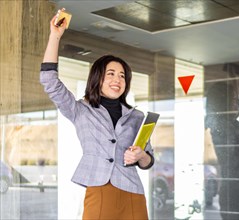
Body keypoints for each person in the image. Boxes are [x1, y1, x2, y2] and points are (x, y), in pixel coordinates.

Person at [40, 9, 154, 220]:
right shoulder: (80, 110)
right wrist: (55, 37)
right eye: (111, 74)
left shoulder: (137, 117)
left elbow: (148, 161)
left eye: (122, 76)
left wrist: (141, 155)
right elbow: (50, 82)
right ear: (97, 78)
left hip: (133, 192)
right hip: (100, 188)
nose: (117, 80)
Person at [205, 81, 239, 220]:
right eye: (234, 99)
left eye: (237, 100)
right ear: (223, 101)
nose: (237, 104)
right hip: (234, 189)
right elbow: (232, 160)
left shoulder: (232, 124)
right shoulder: (221, 126)